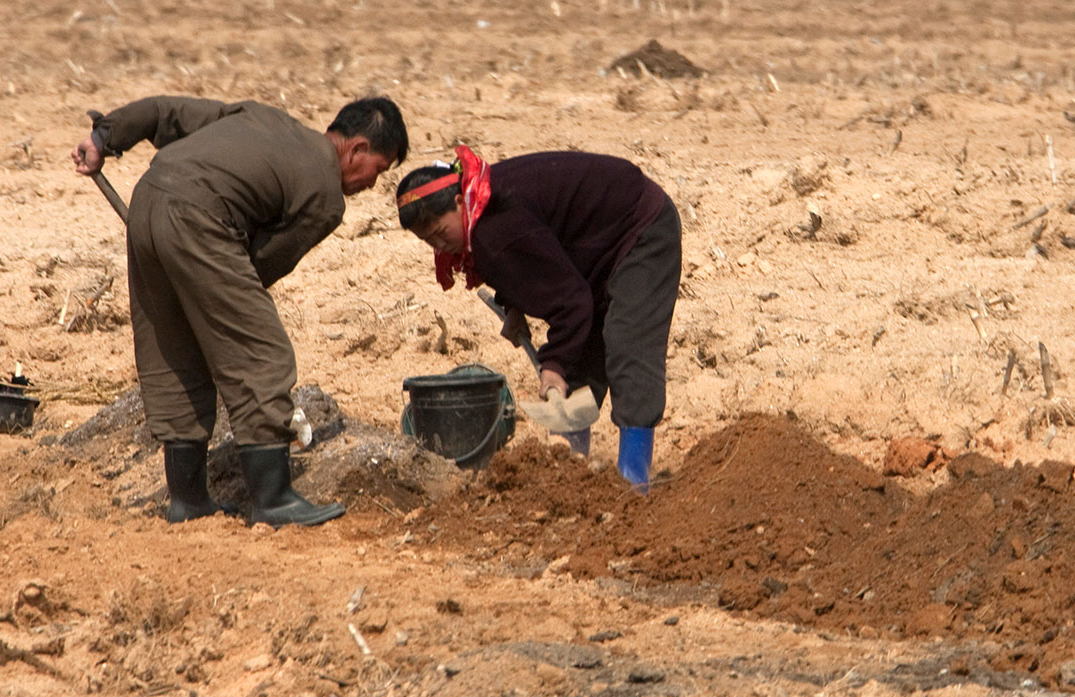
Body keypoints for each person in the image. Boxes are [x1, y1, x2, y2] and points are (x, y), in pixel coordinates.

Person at [72, 95, 408, 526]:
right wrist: (215, 293)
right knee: (261, 355)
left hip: (149, 199)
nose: (372, 184)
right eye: (378, 170)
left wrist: (105, 137)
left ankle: (188, 501)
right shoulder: (326, 194)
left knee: (175, 354)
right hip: (201, 219)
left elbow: (165, 113)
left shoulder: (260, 115)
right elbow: (259, 265)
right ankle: (274, 500)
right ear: (357, 149)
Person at [395, 145, 680, 492]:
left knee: (627, 345)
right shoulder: (481, 208)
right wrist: (515, 305)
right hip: (593, 245)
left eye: (441, 232)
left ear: (459, 202)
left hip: (640, 229)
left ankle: (634, 478)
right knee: (579, 354)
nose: (440, 246)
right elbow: (532, 258)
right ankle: (570, 473)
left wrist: (553, 365)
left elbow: (572, 302)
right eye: (429, 241)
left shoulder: (494, 227)